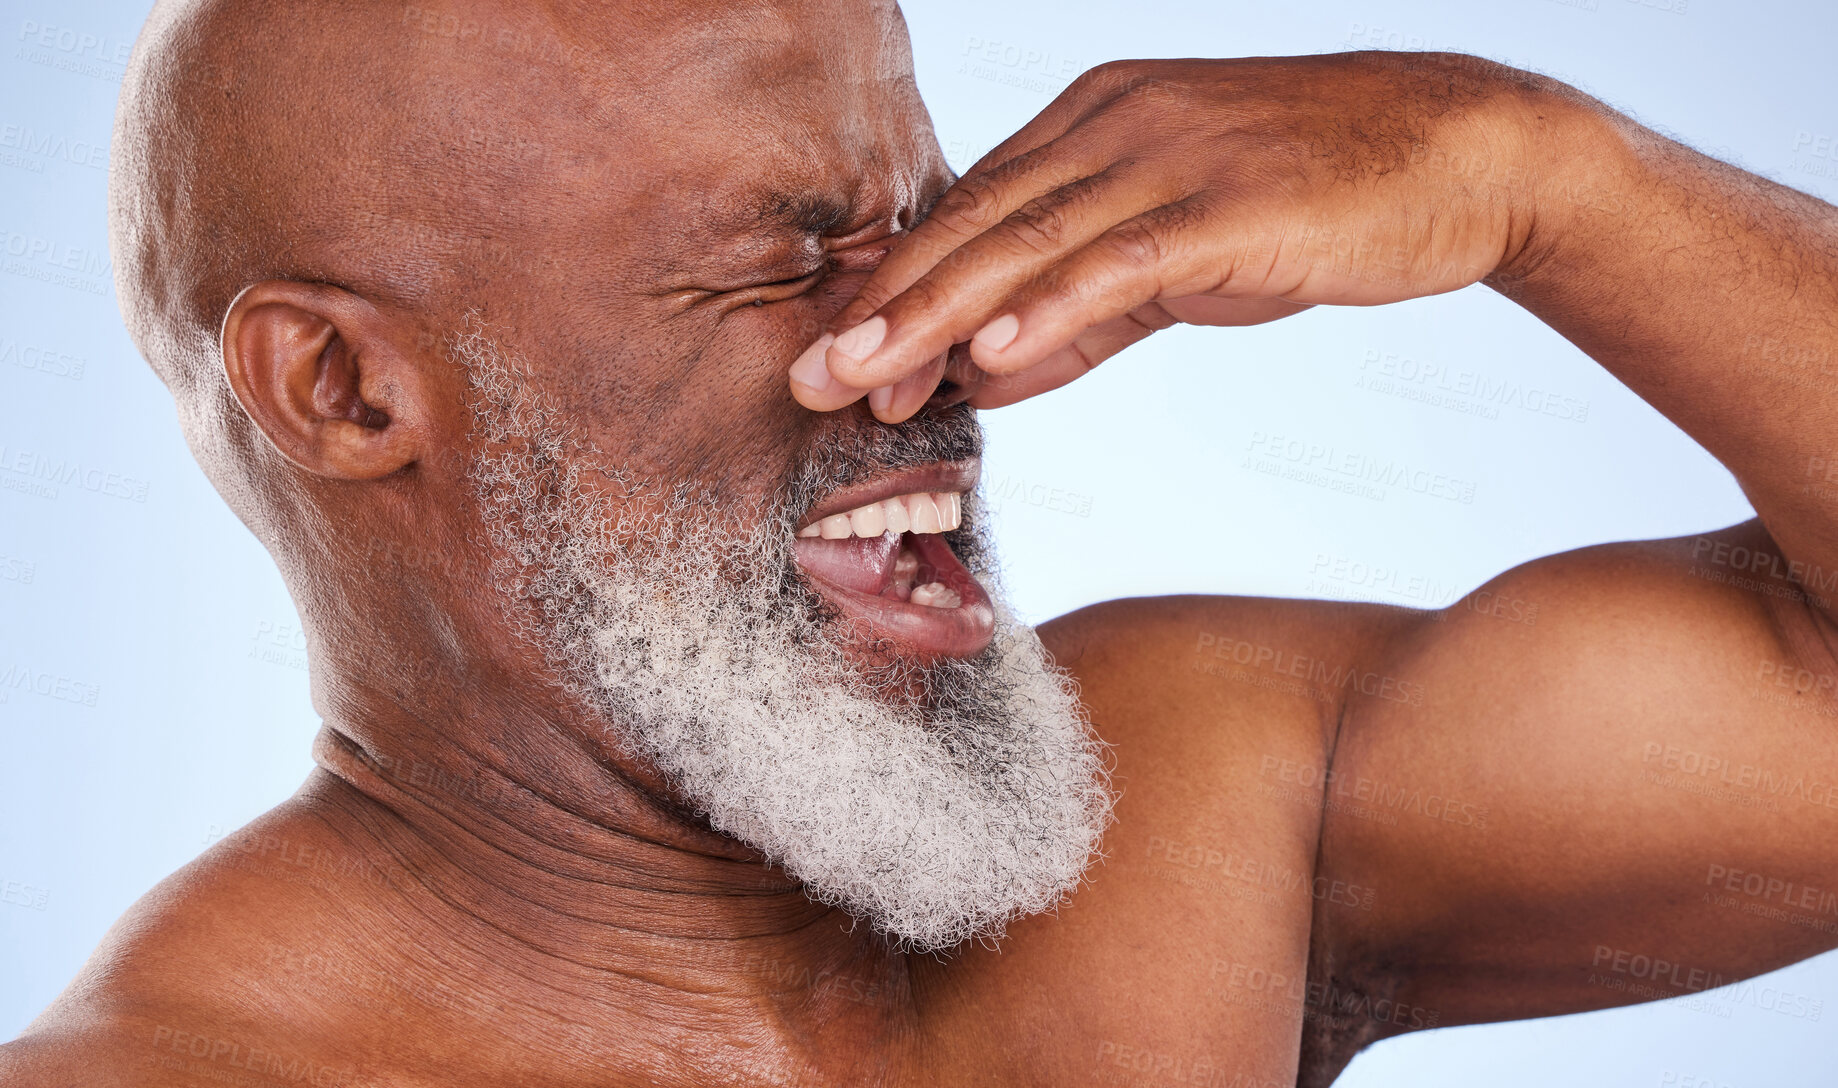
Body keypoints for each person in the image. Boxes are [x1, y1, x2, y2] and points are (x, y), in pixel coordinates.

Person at [6, 2, 1837, 1087]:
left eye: (930, 225)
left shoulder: (1198, 807)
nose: (938, 345)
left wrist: (1551, 180)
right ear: (338, 388)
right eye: (782, 254)